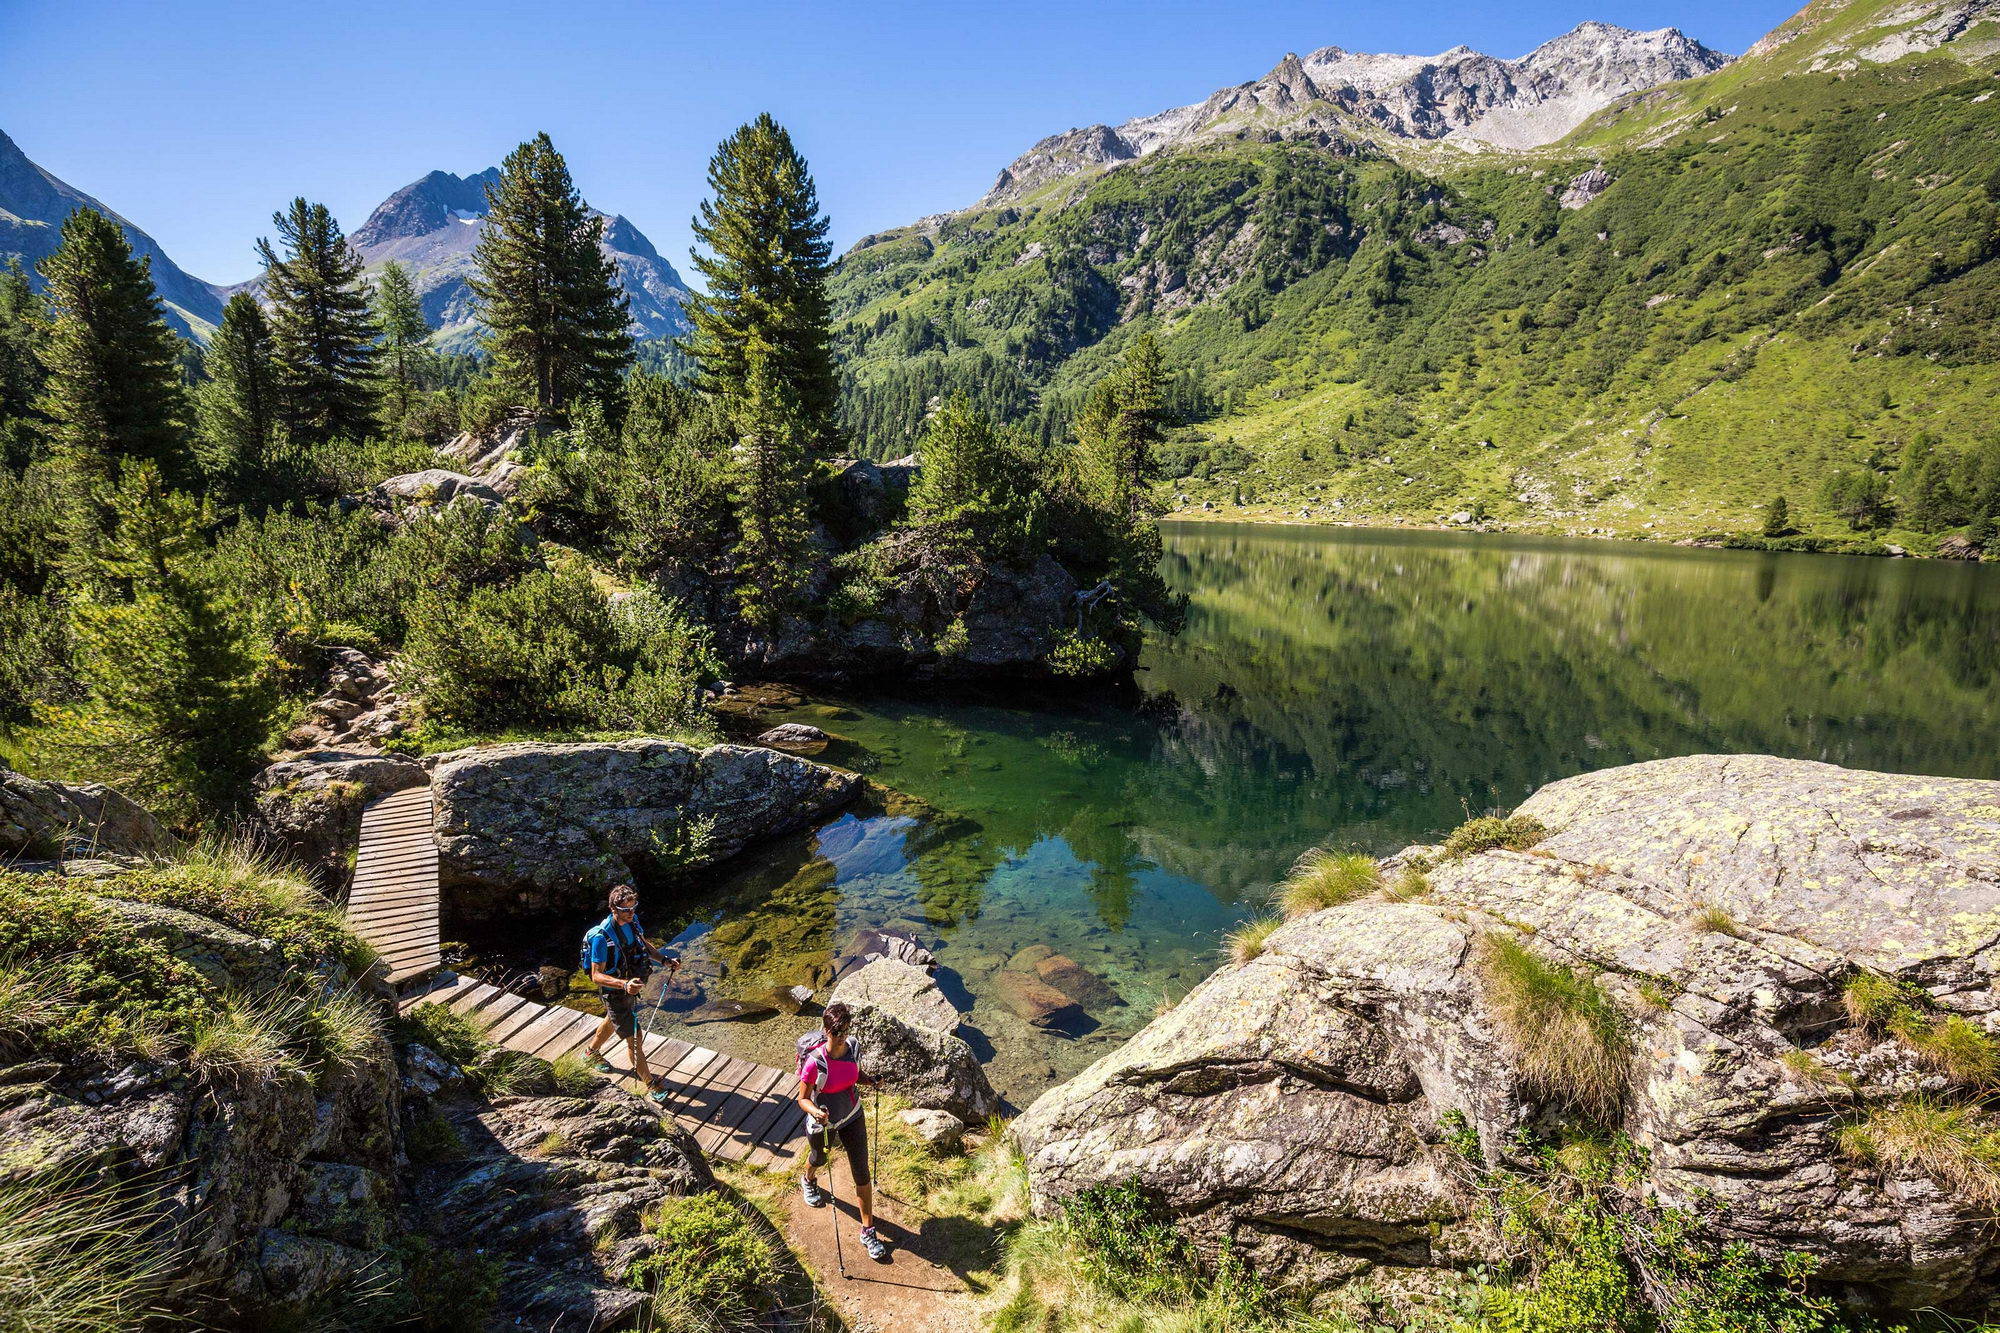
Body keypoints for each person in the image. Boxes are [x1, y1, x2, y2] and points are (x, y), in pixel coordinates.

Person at [797, 1002, 890, 1262]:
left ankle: (868, 1231)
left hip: (852, 1115)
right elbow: (802, 1099)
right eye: (836, 1033)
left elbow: (853, 1074)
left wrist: (870, 1081)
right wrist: (815, 1112)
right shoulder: (815, 1063)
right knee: (819, 1158)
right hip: (823, 1122)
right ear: (826, 1030)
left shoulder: (853, 1047)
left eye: (844, 1031)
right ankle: (808, 1179)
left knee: (861, 1171)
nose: (840, 1038)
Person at [582, 883, 679, 1104]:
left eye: (634, 907)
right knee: (635, 1039)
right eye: (626, 909)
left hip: (629, 986)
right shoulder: (601, 938)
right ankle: (651, 1085)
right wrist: (624, 985)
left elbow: (644, 945)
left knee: (611, 1020)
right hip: (615, 991)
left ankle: (590, 1053)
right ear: (613, 909)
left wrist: (664, 960)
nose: (632, 912)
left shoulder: (632, 921)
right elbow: (596, 976)